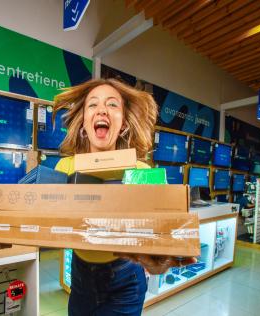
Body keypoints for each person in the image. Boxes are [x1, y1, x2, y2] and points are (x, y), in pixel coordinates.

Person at [52, 78, 195, 316]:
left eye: (112, 105)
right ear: (83, 123)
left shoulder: (142, 172)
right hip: (80, 278)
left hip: (125, 280)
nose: (102, 110)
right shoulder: (65, 167)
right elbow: (43, 222)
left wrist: (160, 258)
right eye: (92, 105)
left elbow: (166, 230)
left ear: (124, 123)